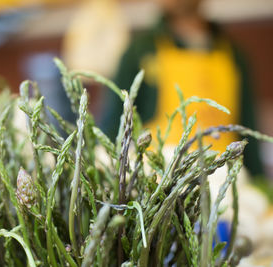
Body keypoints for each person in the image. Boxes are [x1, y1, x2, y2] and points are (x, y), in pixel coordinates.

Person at [102, 0, 263, 176]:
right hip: (160, 182)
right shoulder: (139, 51)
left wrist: (261, 185)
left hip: (229, 179)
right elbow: (113, 127)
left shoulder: (233, 55)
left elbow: (249, 134)